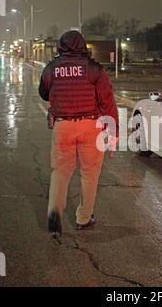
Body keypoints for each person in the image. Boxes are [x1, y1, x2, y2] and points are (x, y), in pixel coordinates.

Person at [38, 30, 119, 238]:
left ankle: (54, 213)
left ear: (61, 46)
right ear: (83, 46)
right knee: (89, 174)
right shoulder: (94, 69)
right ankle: (84, 217)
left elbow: (44, 92)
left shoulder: (52, 68)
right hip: (91, 126)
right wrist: (114, 132)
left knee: (60, 172)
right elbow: (107, 102)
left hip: (63, 125)